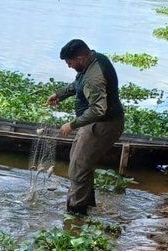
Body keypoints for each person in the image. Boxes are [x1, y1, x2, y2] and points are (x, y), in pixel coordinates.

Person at [46, 39, 125, 215]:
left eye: (70, 63)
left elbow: (98, 110)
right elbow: (77, 84)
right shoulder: (93, 60)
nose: (69, 66)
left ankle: (76, 212)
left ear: (80, 58)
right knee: (78, 159)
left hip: (103, 125)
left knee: (79, 166)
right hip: (93, 122)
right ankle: (87, 206)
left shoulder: (94, 76)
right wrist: (60, 94)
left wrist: (72, 124)